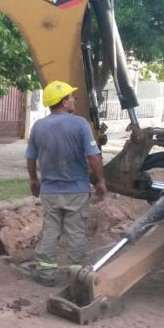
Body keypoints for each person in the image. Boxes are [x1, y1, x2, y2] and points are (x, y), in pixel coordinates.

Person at [26, 80, 107, 287]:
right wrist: (101, 180)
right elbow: (93, 156)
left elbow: (31, 157)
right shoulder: (80, 124)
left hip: (50, 192)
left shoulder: (38, 126)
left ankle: (45, 274)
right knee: (76, 233)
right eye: (71, 97)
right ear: (63, 102)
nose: (74, 99)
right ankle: (76, 277)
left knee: (50, 232)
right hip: (76, 191)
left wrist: (34, 180)